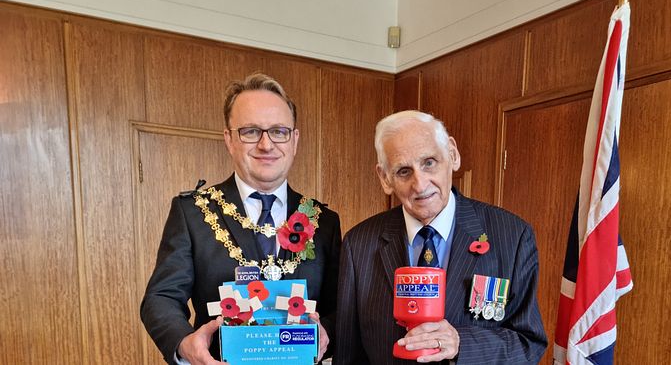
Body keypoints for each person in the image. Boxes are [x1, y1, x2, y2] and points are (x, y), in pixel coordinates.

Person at [141, 73, 341, 365]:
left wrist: (327, 333)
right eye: (250, 131)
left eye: (279, 131)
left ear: (294, 140)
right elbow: (160, 298)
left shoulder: (325, 222)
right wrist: (185, 343)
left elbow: (340, 307)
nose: (266, 144)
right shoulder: (193, 212)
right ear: (229, 139)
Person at [335, 110, 547, 364]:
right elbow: (348, 355)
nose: (420, 184)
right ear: (385, 178)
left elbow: (529, 344)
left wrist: (461, 343)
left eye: (429, 162)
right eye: (403, 171)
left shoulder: (512, 235)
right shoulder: (358, 244)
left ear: (452, 154)